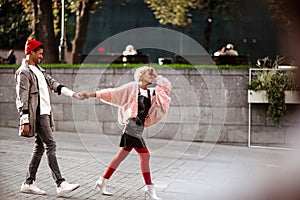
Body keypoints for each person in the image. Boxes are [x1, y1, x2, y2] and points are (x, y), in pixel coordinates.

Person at [84, 66, 171, 200]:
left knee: (121, 157)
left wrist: (157, 74)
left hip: (139, 127)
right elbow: (113, 93)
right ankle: (150, 188)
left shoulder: (152, 92)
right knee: (145, 156)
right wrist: (92, 94)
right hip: (131, 125)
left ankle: (102, 181)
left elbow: (166, 89)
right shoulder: (132, 88)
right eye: (149, 74)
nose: (151, 77)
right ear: (141, 76)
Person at [15, 39, 84, 196]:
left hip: (46, 113)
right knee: (50, 145)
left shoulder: (39, 70)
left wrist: (73, 94)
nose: (41, 56)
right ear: (31, 52)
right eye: (39, 53)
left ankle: (28, 182)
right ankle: (60, 183)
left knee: (39, 148)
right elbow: (22, 97)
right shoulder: (24, 72)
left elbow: (54, 84)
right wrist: (24, 120)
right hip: (37, 115)